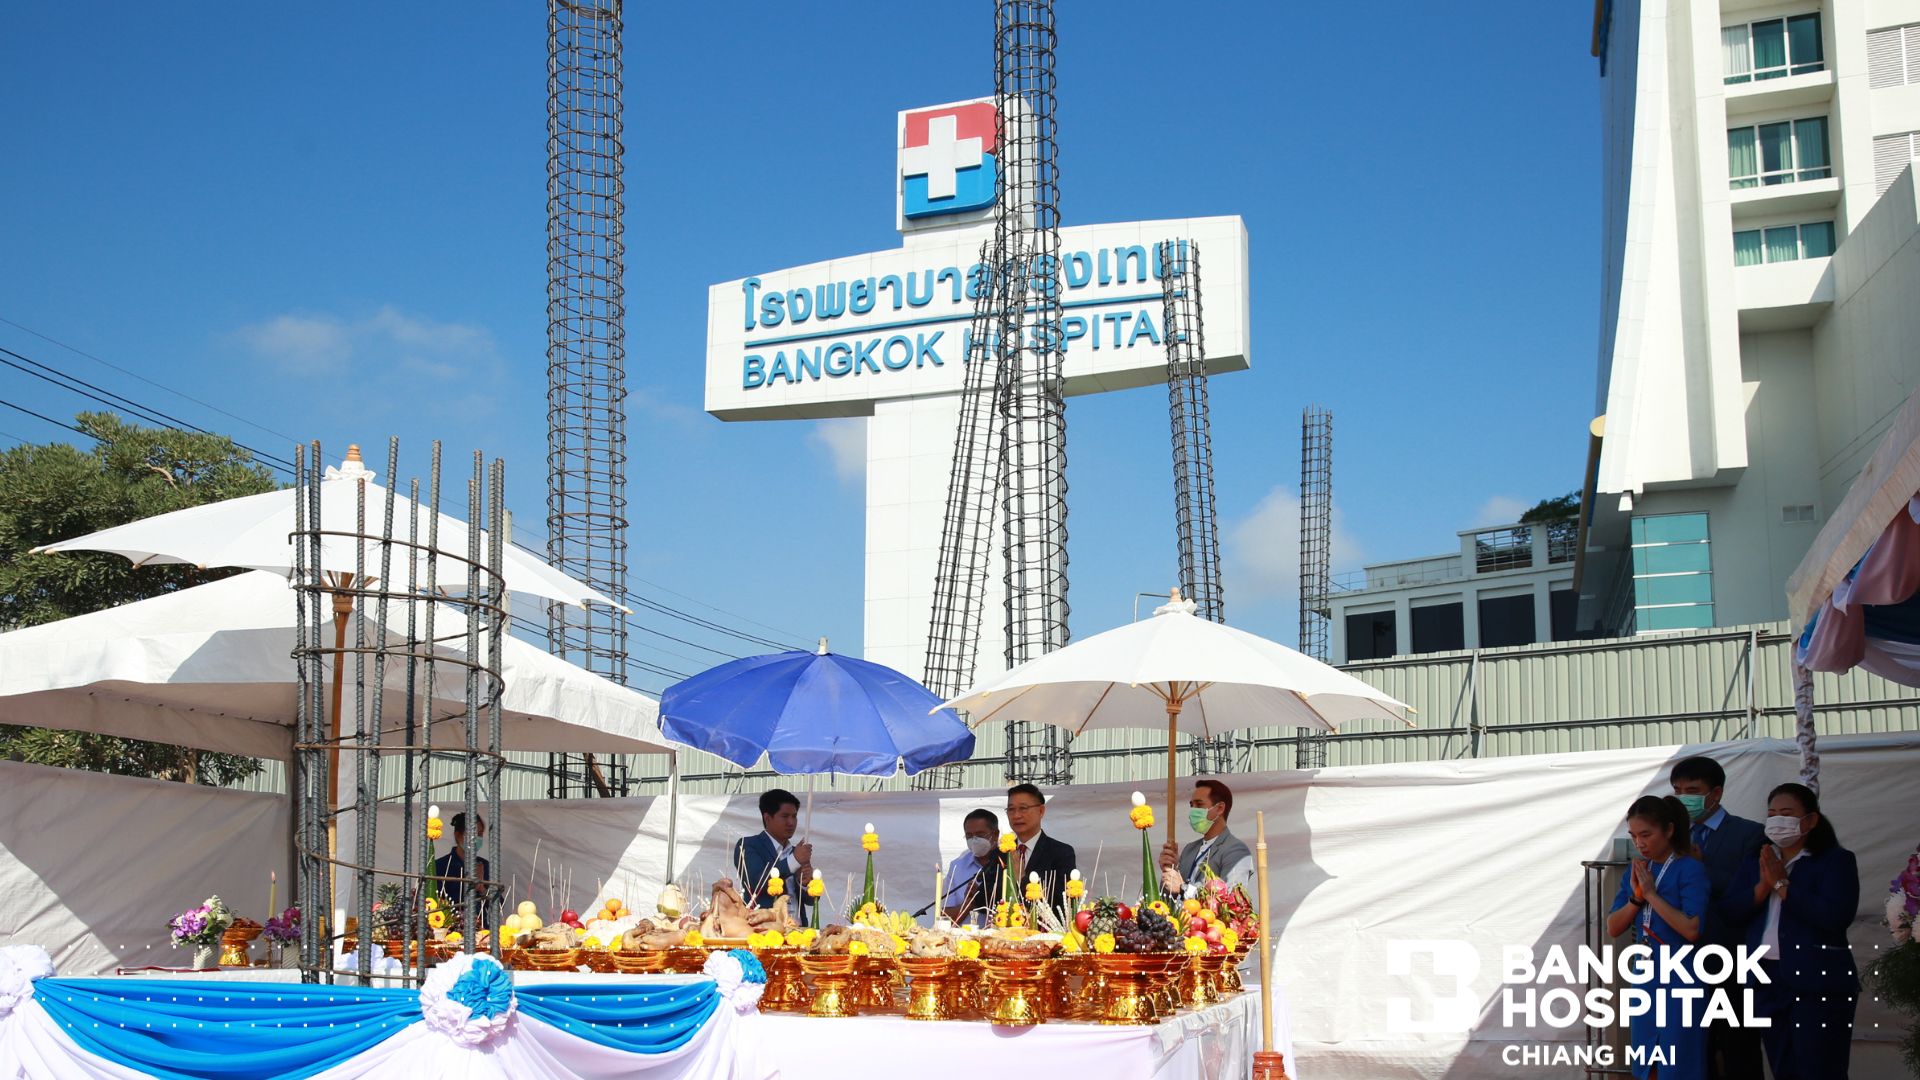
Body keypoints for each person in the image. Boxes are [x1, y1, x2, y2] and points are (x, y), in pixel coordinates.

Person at [1721, 782, 1859, 1080]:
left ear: (1810, 820)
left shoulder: (1835, 860)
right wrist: (1762, 886)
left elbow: (1835, 917)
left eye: (1786, 813)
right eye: (1771, 814)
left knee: (1819, 1067)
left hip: (1817, 981)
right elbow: (1730, 910)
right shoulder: (1758, 859)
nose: (1777, 821)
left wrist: (1783, 885)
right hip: (1765, 977)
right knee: (1782, 1065)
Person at [1668, 755, 1766, 1079]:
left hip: (1733, 958)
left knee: (1740, 1048)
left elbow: (1749, 892)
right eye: (1677, 790)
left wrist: (1701, 869)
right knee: (1694, 1049)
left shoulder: (1750, 834)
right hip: (1682, 961)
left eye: (1692, 791)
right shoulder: (1670, 836)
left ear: (1716, 793)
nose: (1683, 798)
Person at [1606, 794, 1709, 1080]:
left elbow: (1691, 929)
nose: (1639, 843)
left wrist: (1651, 894)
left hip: (1681, 971)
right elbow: (1613, 927)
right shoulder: (1638, 870)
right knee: (1646, 1057)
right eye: (1634, 836)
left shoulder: (1690, 868)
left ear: (1669, 830)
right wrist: (1637, 900)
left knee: (1678, 1058)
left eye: (1646, 835)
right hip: (1646, 971)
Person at [980, 783, 1076, 911]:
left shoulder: (1061, 853)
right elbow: (983, 901)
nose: (1016, 815)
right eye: (1011, 809)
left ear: (1041, 811)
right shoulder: (1000, 853)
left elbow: (1062, 903)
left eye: (1023, 808)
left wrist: (1022, 878)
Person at [1158, 778, 1255, 899]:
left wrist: (1183, 888)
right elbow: (1169, 898)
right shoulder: (1189, 849)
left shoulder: (1236, 851)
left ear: (1220, 808)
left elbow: (1231, 899)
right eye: (1192, 805)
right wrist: (1170, 869)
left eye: (1199, 804)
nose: (1193, 810)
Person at [733, 788, 814, 925]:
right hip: (763, 930)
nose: (791, 822)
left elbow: (811, 901)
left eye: (794, 816)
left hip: (799, 930)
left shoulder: (796, 852)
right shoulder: (747, 845)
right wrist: (794, 861)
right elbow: (756, 881)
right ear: (767, 818)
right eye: (785, 816)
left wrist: (805, 883)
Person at [940, 809, 999, 926]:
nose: (974, 840)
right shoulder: (957, 866)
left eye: (980, 834)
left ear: (995, 834)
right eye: (969, 836)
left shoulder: (1010, 862)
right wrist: (969, 903)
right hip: (964, 936)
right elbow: (945, 920)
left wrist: (983, 897)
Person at [433, 812, 493, 913]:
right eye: (471, 834)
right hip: (450, 922)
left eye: (479, 834)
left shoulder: (484, 865)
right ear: (458, 835)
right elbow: (432, 901)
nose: (476, 838)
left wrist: (482, 888)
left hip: (481, 922)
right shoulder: (440, 866)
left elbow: (499, 905)